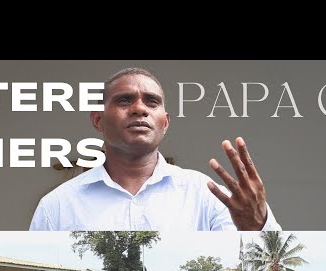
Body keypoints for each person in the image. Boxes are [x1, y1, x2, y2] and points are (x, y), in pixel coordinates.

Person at [30, 67, 281, 231]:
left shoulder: (205, 195)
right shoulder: (57, 206)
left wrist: (257, 226)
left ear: (165, 122)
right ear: (98, 120)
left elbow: (252, 265)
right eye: (124, 100)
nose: (140, 109)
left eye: (152, 101)